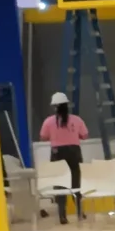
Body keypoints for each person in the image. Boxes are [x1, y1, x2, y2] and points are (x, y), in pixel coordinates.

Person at [39, 91, 90, 223]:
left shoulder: (48, 121)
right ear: (67, 105)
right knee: (76, 183)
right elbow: (85, 135)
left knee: (60, 184)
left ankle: (62, 215)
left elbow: (43, 137)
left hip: (57, 153)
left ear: (54, 107)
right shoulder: (77, 120)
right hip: (74, 152)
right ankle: (80, 213)